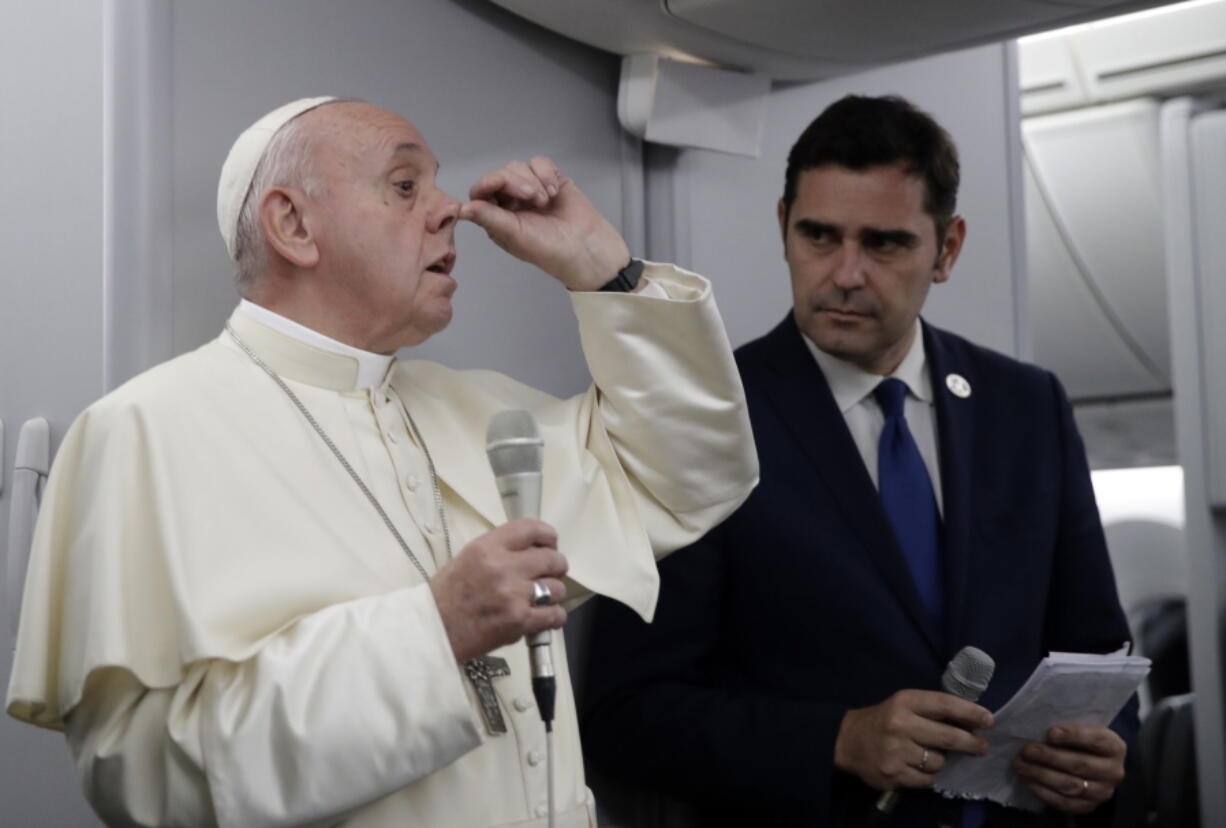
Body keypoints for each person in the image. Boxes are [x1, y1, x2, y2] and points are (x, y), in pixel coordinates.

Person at [5, 96, 757, 828]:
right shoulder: (145, 431)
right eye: (405, 186)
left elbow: (690, 476)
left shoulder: (482, 412)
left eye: (436, 183)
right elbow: (143, 779)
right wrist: (435, 631)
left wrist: (603, 266)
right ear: (293, 224)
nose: (451, 208)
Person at [580, 94, 1137, 827]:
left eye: (884, 244)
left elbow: (1099, 658)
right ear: (783, 227)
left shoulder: (1026, 407)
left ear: (948, 249)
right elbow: (626, 713)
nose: (845, 274)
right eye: (819, 236)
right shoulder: (702, 416)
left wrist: (1106, 753)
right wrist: (837, 739)